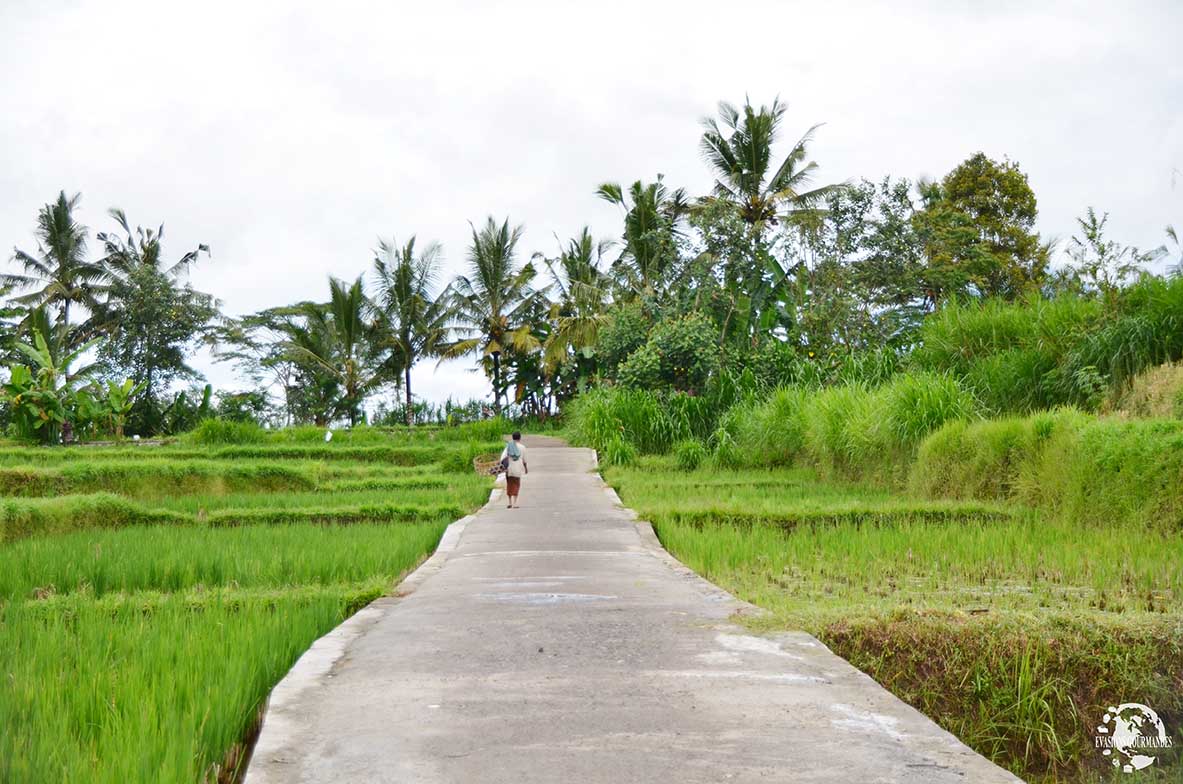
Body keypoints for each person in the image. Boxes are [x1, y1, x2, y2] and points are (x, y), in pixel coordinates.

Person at [499, 431, 528, 508]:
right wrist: (526, 469)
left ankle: (509, 502)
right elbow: (524, 460)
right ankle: (515, 503)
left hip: (509, 469)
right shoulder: (522, 447)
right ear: (520, 438)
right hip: (518, 469)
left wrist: (502, 467)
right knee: (516, 485)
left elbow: (502, 458)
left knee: (509, 484)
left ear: (512, 437)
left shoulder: (508, 446)